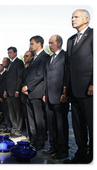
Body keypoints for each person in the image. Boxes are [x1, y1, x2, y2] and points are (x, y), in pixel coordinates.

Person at [63, 9, 94, 165]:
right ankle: (80, 154)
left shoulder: (94, 35)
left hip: (89, 88)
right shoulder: (70, 40)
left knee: (92, 123)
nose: (73, 19)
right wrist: (66, 89)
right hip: (74, 90)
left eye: (76, 17)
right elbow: (68, 66)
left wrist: (94, 83)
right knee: (77, 124)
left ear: (86, 19)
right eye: (72, 17)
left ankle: (93, 156)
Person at [42, 35, 69, 159]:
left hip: (59, 96)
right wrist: (44, 93)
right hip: (48, 96)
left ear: (59, 43)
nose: (49, 45)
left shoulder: (66, 56)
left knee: (60, 124)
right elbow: (45, 78)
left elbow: (67, 75)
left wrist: (65, 92)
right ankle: (53, 147)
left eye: (52, 43)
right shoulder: (49, 59)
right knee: (51, 124)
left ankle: (63, 150)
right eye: (49, 43)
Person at [22, 36, 49, 150]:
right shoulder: (33, 59)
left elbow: (40, 75)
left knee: (39, 119)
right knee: (31, 118)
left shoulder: (45, 57)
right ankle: (33, 138)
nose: (30, 46)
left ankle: (40, 141)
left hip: (37, 92)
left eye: (32, 44)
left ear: (39, 44)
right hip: (29, 93)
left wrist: (28, 86)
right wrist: (24, 86)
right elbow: (28, 74)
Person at [4, 47, 25, 138]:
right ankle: (14, 127)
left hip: (15, 91)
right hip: (9, 91)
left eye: (11, 53)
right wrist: (5, 90)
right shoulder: (10, 64)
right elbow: (7, 79)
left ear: (15, 53)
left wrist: (17, 90)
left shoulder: (19, 63)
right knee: (11, 112)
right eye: (8, 53)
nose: (9, 54)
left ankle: (18, 130)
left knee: (17, 111)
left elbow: (20, 77)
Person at [0, 58, 11, 133]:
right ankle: (7, 126)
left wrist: (6, 91)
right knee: (5, 111)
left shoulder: (8, 72)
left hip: (8, 94)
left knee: (9, 112)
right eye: (2, 61)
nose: (3, 63)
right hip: (4, 94)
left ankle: (10, 127)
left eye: (5, 61)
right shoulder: (5, 73)